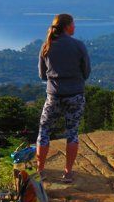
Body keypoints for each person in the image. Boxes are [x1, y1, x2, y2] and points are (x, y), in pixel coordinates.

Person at [36, 13, 91, 183]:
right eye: (73, 24)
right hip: (75, 95)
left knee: (44, 131)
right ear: (67, 26)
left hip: (54, 96)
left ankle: (40, 171)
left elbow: (42, 75)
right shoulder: (78, 46)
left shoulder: (47, 45)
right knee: (72, 133)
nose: (75, 27)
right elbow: (86, 72)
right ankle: (67, 173)